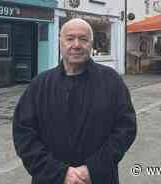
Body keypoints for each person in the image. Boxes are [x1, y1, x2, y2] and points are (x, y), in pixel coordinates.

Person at [13, 18, 137, 184]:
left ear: (91, 44)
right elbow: (23, 133)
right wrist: (59, 173)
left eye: (83, 39)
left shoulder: (111, 81)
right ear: (60, 42)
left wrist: (93, 169)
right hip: (50, 179)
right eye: (70, 38)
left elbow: (125, 128)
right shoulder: (40, 85)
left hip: (98, 178)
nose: (76, 45)